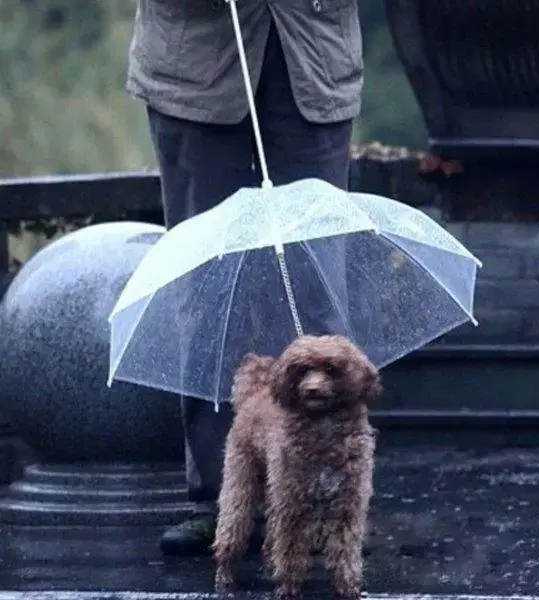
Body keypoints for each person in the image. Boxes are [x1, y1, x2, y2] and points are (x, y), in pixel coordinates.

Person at [125, 0, 364, 555]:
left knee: (316, 286)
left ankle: (328, 499)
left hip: (313, 58)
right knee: (207, 289)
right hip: (195, 67)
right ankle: (218, 500)